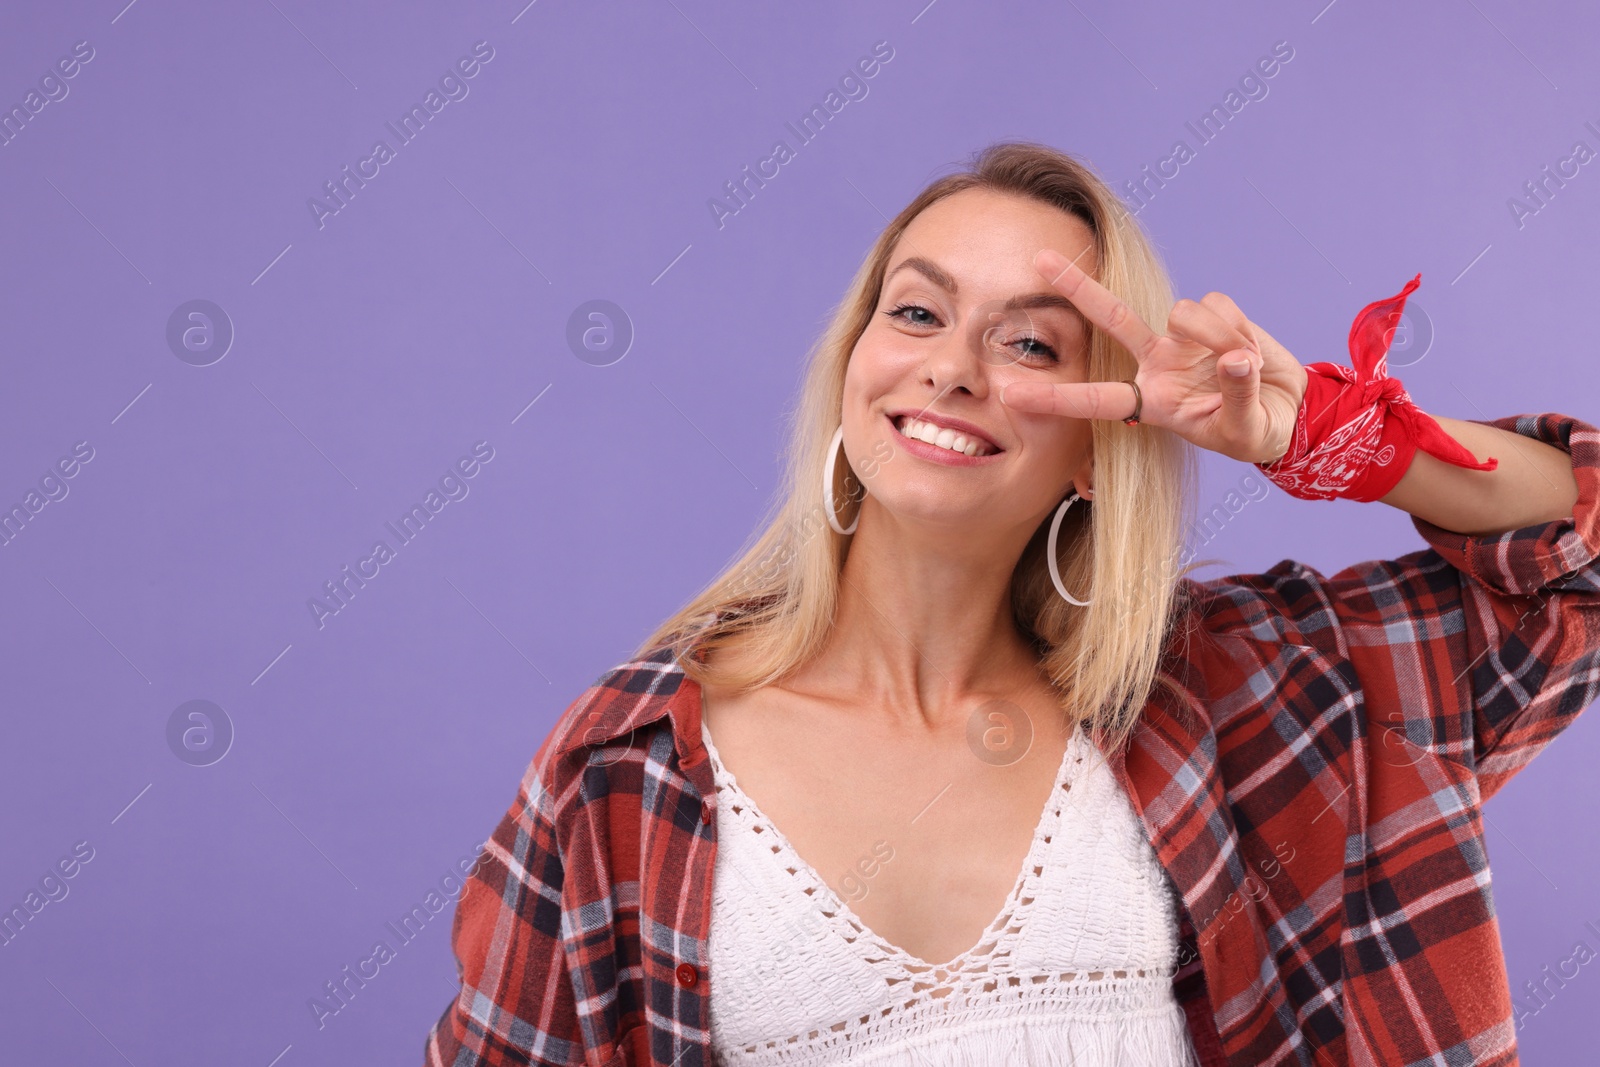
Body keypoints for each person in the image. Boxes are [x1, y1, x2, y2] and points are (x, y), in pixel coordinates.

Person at [422, 141, 1600, 1066]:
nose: (953, 367)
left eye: (1029, 343)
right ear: (852, 373)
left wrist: (1323, 435)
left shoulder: (1239, 695)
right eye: (919, 313)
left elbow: (1577, 560)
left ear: (1101, 441)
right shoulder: (627, 771)